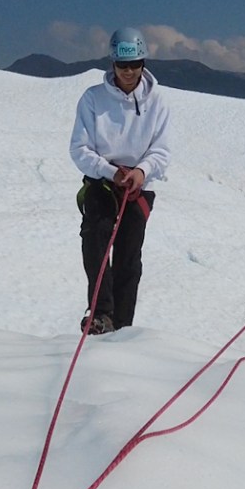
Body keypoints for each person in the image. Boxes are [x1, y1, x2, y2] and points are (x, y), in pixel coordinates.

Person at [69, 27, 172, 334]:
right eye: (123, 65)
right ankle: (101, 313)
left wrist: (140, 172)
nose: (129, 72)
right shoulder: (93, 99)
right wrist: (110, 170)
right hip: (102, 181)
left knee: (129, 254)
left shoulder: (157, 102)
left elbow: (162, 150)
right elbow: (79, 148)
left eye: (135, 64)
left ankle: (123, 323)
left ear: (143, 63)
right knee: (96, 237)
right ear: (112, 64)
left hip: (139, 186)